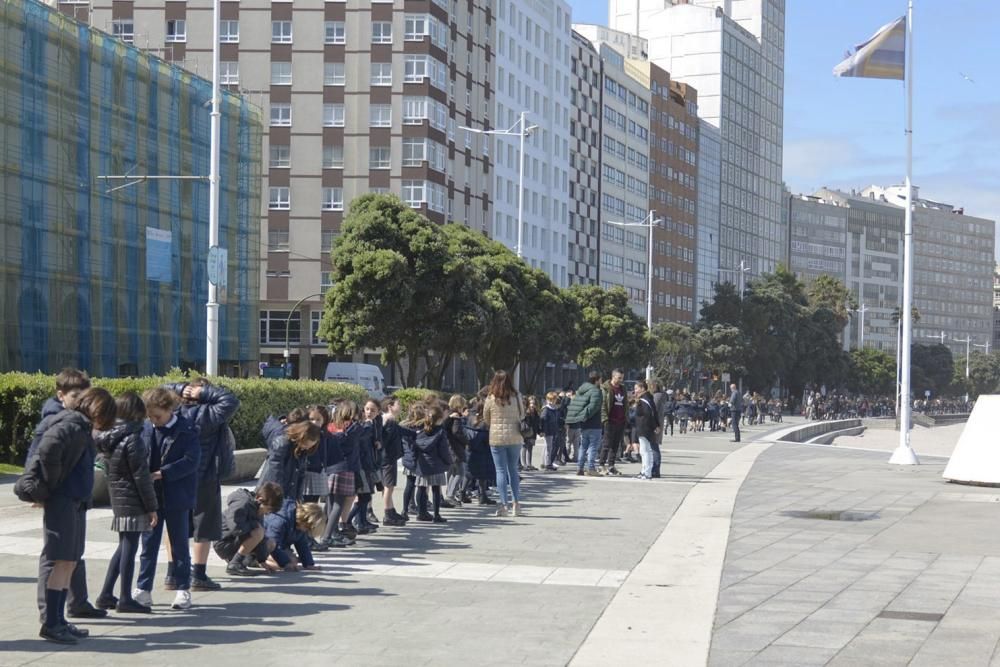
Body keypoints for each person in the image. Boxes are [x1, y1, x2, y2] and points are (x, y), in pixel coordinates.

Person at [32, 387, 116, 644]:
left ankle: (59, 620)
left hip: (74, 499)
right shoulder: (72, 423)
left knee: (69, 561)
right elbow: (47, 449)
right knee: (60, 560)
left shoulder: (79, 424)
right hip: (64, 499)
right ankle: (52, 622)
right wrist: (52, 484)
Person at [163, 378, 239, 592]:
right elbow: (230, 399)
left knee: (174, 524)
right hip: (205, 475)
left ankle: (172, 573)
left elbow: (156, 391)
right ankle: (198, 574)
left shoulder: (172, 413)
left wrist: (178, 388)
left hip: (176, 476)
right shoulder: (209, 414)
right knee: (203, 526)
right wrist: (204, 392)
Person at [135, 387, 200, 611]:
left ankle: (183, 589)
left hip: (177, 494)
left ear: (169, 409)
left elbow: (192, 460)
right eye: (150, 416)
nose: (154, 420)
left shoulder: (186, 429)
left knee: (180, 544)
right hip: (152, 495)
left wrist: (164, 472)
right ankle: (143, 589)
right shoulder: (146, 428)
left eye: (158, 416)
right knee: (148, 544)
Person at [96, 392, 159, 614]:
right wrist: (152, 507)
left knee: (123, 547)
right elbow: (141, 476)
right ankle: (124, 598)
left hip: (118, 498)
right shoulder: (133, 438)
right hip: (132, 499)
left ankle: (105, 594)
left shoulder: (109, 436)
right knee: (129, 550)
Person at [213, 482, 284, 575]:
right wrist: (254, 525)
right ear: (260, 499)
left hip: (236, 540)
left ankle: (245, 561)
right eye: (268, 509)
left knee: (270, 542)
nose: (268, 513)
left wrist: (262, 560)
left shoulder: (258, 508)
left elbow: (261, 538)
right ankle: (235, 563)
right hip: (224, 542)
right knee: (258, 531)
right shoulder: (242, 503)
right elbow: (235, 527)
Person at [483, 370, 524, 517]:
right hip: (515, 436)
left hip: (497, 438)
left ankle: (504, 505)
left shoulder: (491, 398)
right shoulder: (517, 396)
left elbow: (485, 417)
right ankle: (516, 504)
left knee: (500, 471)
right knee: (513, 469)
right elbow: (523, 414)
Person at [257, 413, 321, 502]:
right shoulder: (282, 443)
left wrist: (298, 497)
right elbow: (275, 471)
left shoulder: (302, 450)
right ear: (301, 437)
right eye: (306, 444)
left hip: (289, 492)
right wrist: (278, 496)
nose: (307, 447)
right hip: (273, 491)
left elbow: (301, 475)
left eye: (310, 446)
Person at [414, 401, 452, 522]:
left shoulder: (421, 430)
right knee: (436, 489)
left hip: (423, 464)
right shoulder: (440, 432)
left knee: (421, 488)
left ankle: (421, 512)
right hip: (436, 465)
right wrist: (448, 461)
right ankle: (436, 515)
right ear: (440, 419)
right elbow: (444, 450)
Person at [264, 498, 324, 571]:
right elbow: (274, 543)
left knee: (293, 560)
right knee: (285, 562)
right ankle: (258, 561)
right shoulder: (280, 521)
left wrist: (308, 564)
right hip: (263, 544)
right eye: (308, 528)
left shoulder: (299, 524)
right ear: (305, 521)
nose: (307, 531)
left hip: (278, 545)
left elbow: (302, 544)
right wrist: (286, 563)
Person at [566, 372, 603, 476]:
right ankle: (591, 468)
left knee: (583, 446)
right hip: (594, 422)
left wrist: (581, 417)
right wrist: (585, 415)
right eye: (600, 380)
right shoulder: (596, 391)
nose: (601, 382)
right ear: (596, 380)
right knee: (593, 446)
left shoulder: (581, 390)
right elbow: (593, 407)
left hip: (583, 423)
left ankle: (580, 467)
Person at [379, 397, 407, 526]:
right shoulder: (389, 420)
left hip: (387, 457)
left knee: (388, 487)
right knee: (388, 487)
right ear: (390, 406)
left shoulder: (388, 419)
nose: (400, 407)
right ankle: (387, 514)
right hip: (388, 457)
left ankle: (391, 509)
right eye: (398, 404)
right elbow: (386, 440)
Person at [464, 400, 497, 505]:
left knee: (470, 473)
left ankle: (463, 492)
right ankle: (482, 495)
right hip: (483, 450)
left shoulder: (470, 419)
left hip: (471, 449)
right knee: (482, 475)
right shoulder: (485, 423)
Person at [443, 395, 471, 505]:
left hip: (449, 447)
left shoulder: (448, 415)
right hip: (456, 448)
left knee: (453, 472)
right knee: (460, 473)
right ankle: (450, 495)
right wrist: (466, 440)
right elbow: (456, 432)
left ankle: (449, 493)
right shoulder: (456, 417)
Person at [598, 370, 627, 476]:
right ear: (613, 376)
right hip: (609, 421)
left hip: (620, 421)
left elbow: (625, 404)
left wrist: (625, 418)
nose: (621, 380)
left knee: (615, 445)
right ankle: (601, 465)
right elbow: (603, 405)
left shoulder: (622, 388)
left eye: (622, 378)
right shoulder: (606, 388)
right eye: (619, 378)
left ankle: (611, 466)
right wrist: (605, 419)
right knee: (606, 444)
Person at [633, 381, 659, 480]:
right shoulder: (646, 398)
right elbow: (654, 413)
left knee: (645, 451)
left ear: (643, 388)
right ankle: (644, 471)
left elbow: (649, 414)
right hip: (643, 427)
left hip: (644, 428)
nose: (635, 391)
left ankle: (647, 473)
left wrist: (654, 426)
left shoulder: (644, 400)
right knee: (644, 451)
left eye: (637, 388)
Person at [540, 391, 562, 471]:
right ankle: (547, 464)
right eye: (551, 400)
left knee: (548, 447)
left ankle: (545, 463)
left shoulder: (554, 409)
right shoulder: (546, 409)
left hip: (553, 430)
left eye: (554, 400)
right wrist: (542, 431)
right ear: (548, 400)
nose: (553, 401)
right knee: (548, 447)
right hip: (548, 430)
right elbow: (543, 421)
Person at [520, 396, 541, 471]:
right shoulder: (526, 413)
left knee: (530, 448)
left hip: (533, 432)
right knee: (524, 447)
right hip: (526, 432)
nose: (532, 405)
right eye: (531, 403)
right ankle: (524, 464)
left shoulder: (536, 413)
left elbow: (537, 424)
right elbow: (524, 422)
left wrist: (539, 431)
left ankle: (529, 464)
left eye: (534, 403)